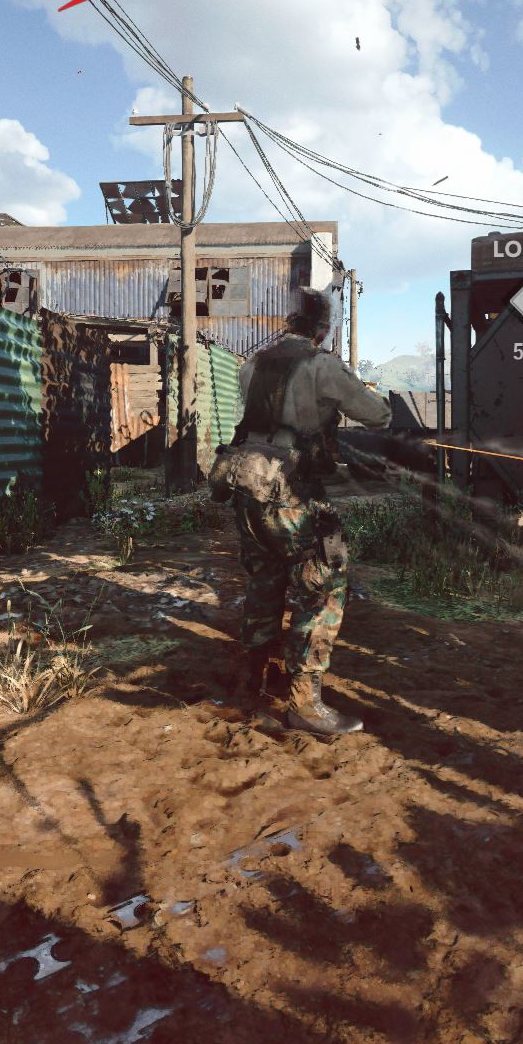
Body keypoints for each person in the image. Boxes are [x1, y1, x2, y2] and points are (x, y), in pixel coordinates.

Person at [207, 288, 391, 735]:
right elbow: (378, 415)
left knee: (264, 581)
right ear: (323, 329)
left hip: (246, 488)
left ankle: (254, 682)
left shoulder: (253, 363)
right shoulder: (321, 365)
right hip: (290, 491)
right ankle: (305, 705)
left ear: (289, 322)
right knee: (324, 587)